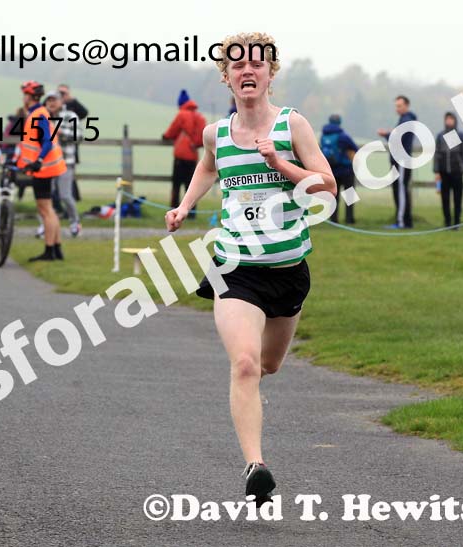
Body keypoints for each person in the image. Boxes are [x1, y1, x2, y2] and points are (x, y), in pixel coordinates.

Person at [164, 32, 336, 504]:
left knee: (267, 365)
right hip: (235, 267)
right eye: (236, 65)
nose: (247, 71)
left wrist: (280, 163)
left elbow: (327, 188)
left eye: (256, 64)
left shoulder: (292, 125)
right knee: (244, 365)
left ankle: (253, 395)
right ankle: (256, 467)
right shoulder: (215, 133)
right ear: (226, 76)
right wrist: (184, 206)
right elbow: (207, 166)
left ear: (270, 73)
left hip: (288, 268)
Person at [16, 81, 67, 261]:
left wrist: (38, 160)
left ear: (29, 97)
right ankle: (57, 249)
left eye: (25, 95)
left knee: (45, 210)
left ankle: (49, 250)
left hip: (43, 169)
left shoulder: (38, 115)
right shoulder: (38, 113)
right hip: (45, 167)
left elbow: (46, 140)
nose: (23, 98)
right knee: (49, 209)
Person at [44, 90, 83, 237]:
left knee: (65, 195)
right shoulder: (44, 118)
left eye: (54, 100)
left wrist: (60, 132)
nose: (52, 103)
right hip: (48, 163)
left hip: (65, 162)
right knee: (45, 197)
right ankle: (46, 225)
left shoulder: (70, 116)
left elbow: (78, 136)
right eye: (49, 100)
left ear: (61, 102)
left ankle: (75, 222)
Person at [163, 89, 206, 219]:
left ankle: (174, 211)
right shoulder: (200, 117)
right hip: (193, 156)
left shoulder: (182, 114)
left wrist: (165, 136)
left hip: (181, 155)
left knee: (176, 185)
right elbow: (202, 138)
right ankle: (191, 214)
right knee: (191, 185)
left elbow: (172, 131)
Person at [377, 95, 417, 229]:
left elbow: (397, 137)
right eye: (396, 106)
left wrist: (386, 134)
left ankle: (402, 222)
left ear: (406, 106)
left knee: (401, 190)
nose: (397, 108)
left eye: (399, 106)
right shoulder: (403, 119)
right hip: (398, 160)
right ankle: (402, 219)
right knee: (398, 190)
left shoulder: (407, 120)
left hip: (402, 161)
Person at [320, 114, 359, 224]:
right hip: (346, 170)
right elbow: (354, 148)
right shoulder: (343, 136)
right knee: (350, 196)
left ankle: (334, 219)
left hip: (331, 170)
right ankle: (349, 218)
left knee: (333, 196)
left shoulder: (324, 135)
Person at [434, 112, 463, 228]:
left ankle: (457, 222)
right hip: (444, 172)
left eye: (451, 119)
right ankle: (447, 221)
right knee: (445, 198)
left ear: (455, 121)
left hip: (457, 172)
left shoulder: (460, 135)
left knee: (457, 198)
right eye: (447, 119)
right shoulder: (440, 136)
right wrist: (437, 171)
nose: (449, 121)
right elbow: (437, 154)